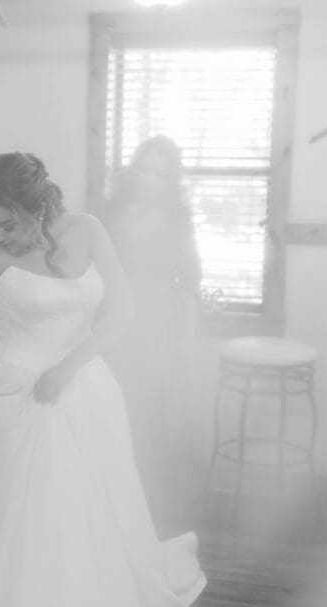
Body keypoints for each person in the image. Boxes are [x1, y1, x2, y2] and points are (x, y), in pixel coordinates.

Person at [0, 152, 223, 607]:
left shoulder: (88, 231)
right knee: (18, 529)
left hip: (82, 391)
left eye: (6, 222)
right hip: (11, 398)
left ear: (37, 209)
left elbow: (122, 311)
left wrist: (68, 367)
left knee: (89, 520)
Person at [101, 135, 203, 524]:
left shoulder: (178, 221)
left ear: (170, 179)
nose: (150, 178)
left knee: (154, 416)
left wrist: (189, 341)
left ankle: (150, 508)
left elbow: (192, 285)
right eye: (145, 168)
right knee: (114, 409)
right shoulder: (109, 213)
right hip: (114, 320)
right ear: (134, 170)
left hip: (160, 323)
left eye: (161, 172)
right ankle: (112, 503)